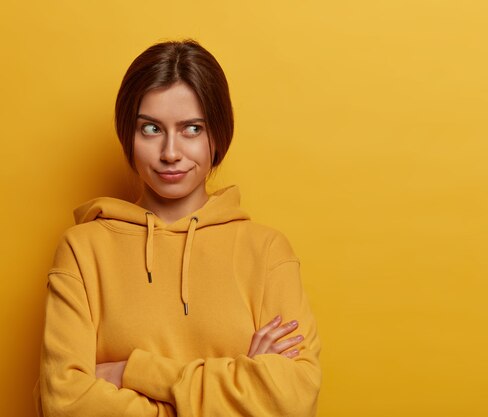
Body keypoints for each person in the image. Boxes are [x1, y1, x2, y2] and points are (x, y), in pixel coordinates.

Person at [36, 40, 321, 417]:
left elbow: (292, 401)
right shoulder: (82, 249)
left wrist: (130, 372)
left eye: (191, 129)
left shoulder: (267, 251)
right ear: (129, 136)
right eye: (152, 128)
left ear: (216, 135)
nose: (170, 152)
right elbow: (60, 403)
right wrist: (239, 388)